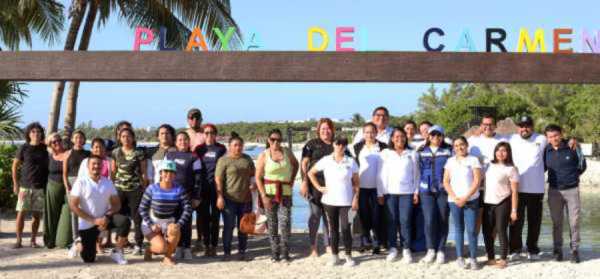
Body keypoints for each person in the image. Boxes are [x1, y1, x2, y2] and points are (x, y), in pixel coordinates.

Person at [69, 155, 131, 264]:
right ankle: (78, 243)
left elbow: (117, 205)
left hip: (104, 221)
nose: (96, 166)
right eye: (93, 164)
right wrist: (94, 220)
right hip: (88, 224)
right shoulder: (81, 182)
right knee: (89, 259)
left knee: (125, 221)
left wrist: (107, 216)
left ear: (102, 166)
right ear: (88, 166)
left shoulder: (108, 182)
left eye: (99, 164)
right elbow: (73, 205)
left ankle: (117, 251)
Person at [308, 136, 359, 267]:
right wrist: (319, 187)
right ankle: (335, 256)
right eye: (338, 143)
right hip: (329, 201)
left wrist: (356, 198)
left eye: (343, 144)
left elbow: (356, 183)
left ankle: (348, 256)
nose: (340, 146)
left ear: (346, 146)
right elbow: (310, 173)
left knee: (346, 228)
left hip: (347, 202)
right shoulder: (326, 160)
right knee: (333, 229)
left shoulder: (351, 161)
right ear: (334, 145)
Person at [544, 124, 587, 263]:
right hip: (554, 191)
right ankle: (557, 250)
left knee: (574, 222)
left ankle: (574, 250)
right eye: (550, 136)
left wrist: (573, 176)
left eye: (556, 135)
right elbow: (541, 168)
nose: (554, 138)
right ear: (547, 138)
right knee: (557, 222)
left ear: (561, 134)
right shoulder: (546, 150)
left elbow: (582, 165)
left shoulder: (572, 146)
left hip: (572, 190)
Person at [255, 129, 299, 262]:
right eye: (273, 139)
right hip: (269, 193)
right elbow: (258, 177)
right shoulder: (264, 155)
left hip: (285, 192)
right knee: (272, 224)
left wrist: (290, 181)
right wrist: (263, 195)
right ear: (268, 140)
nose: (276, 142)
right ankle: (275, 253)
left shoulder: (287, 152)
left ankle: (285, 252)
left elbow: (295, 165)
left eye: (278, 140)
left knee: (285, 223)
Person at [376, 127, 419, 263]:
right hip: (389, 193)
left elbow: (416, 175)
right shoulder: (385, 153)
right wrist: (380, 193)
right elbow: (380, 174)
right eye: (396, 136)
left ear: (406, 138)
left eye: (402, 136)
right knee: (391, 221)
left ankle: (406, 248)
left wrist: (416, 192)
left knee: (405, 221)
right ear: (392, 138)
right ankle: (393, 248)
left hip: (407, 193)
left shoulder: (412, 154)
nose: (399, 139)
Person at [139, 160, 193, 266]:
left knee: (175, 230)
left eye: (172, 172)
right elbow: (142, 208)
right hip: (152, 222)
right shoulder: (152, 188)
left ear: (175, 175)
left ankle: (168, 258)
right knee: (161, 248)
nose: (168, 174)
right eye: (166, 171)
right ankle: (149, 250)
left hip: (168, 222)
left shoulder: (179, 189)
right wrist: (151, 224)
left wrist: (179, 224)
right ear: (160, 173)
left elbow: (188, 207)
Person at [508, 116, 547, 261]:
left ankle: (532, 249)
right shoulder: (511, 139)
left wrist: (571, 141)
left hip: (536, 189)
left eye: (527, 125)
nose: (524, 128)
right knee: (515, 221)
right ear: (518, 127)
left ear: (532, 126)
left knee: (534, 222)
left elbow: (557, 140)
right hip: (516, 188)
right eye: (521, 126)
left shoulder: (542, 139)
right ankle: (515, 249)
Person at [443, 137, 482, 270]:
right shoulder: (450, 161)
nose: (459, 147)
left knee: (471, 230)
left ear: (467, 145)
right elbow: (446, 181)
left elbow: (477, 181)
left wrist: (465, 197)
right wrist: (454, 197)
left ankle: (473, 258)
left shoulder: (473, 160)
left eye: (462, 145)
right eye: (456, 145)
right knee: (458, 229)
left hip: (471, 200)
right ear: (453, 148)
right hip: (454, 201)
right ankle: (459, 258)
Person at [215, 133, 255, 261]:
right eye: (235, 145)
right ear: (229, 146)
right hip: (229, 199)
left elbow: (253, 175)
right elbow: (218, 180)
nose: (238, 147)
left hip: (246, 199)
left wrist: (253, 184)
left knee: (243, 227)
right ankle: (227, 253)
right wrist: (219, 197)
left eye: (240, 145)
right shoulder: (223, 160)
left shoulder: (247, 159)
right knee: (229, 226)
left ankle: (242, 251)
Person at [300, 118, 336, 257]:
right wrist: (304, 182)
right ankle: (313, 246)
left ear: (332, 129)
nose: (325, 131)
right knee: (315, 215)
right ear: (318, 130)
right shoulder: (311, 144)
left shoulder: (336, 144)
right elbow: (304, 164)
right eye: (322, 129)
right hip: (314, 185)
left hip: (332, 186)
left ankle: (328, 244)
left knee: (329, 217)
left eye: (328, 128)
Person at [417, 125, 452, 264]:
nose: (435, 138)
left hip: (443, 191)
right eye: (433, 135)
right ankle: (431, 249)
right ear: (428, 136)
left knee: (443, 219)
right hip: (426, 191)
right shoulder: (421, 151)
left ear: (443, 137)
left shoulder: (448, 151)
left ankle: (441, 249)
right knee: (429, 220)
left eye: (439, 135)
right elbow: (417, 171)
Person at [165, 131, 203, 260]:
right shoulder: (170, 155)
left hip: (187, 195)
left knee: (186, 222)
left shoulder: (194, 157)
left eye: (185, 140)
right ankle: (177, 247)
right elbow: (164, 175)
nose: (183, 142)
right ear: (176, 142)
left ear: (189, 142)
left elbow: (198, 179)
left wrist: (197, 197)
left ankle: (187, 248)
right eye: (180, 140)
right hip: (171, 195)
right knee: (174, 221)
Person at [468, 114, 507, 235]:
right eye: (485, 124)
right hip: (477, 186)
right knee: (477, 217)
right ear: (481, 126)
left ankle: (489, 247)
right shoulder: (472, 141)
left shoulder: (503, 140)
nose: (488, 127)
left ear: (495, 126)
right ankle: (473, 247)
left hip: (496, 186)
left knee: (493, 218)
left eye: (490, 124)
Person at [111, 127, 149, 255]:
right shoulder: (116, 152)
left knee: (137, 218)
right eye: (123, 136)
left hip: (135, 190)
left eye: (128, 136)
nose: (126, 139)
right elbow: (113, 172)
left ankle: (138, 245)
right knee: (120, 217)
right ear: (119, 138)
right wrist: (111, 188)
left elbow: (144, 173)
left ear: (133, 138)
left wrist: (144, 187)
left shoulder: (139, 153)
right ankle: (120, 243)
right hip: (119, 190)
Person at [482, 142, 519, 268]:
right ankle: (491, 258)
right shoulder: (488, 165)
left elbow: (514, 191)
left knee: (501, 230)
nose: (500, 153)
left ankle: (503, 259)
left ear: (508, 153)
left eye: (504, 150)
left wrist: (514, 210)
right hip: (487, 202)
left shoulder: (511, 169)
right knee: (487, 231)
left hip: (503, 202)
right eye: (498, 150)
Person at [12, 122, 48, 249]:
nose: (36, 134)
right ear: (28, 134)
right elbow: (15, 166)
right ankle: (18, 240)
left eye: (38, 132)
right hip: (25, 186)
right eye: (33, 132)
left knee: (36, 216)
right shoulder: (24, 148)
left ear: (41, 134)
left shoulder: (44, 149)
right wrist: (15, 184)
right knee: (20, 213)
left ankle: (33, 240)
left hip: (39, 187)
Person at [352, 122, 387, 254]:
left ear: (376, 132)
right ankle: (365, 241)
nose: (369, 134)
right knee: (363, 216)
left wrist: (382, 191)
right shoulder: (357, 147)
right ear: (363, 133)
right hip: (362, 188)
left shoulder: (383, 147)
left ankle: (377, 243)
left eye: (372, 132)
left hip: (377, 188)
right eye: (366, 132)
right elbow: (354, 167)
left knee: (377, 216)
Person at [194, 123, 227, 256]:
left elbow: (226, 167)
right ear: (203, 134)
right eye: (206, 132)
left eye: (212, 132)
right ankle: (206, 245)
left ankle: (213, 246)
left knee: (215, 218)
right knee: (203, 218)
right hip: (203, 188)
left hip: (217, 188)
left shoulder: (221, 148)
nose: (209, 135)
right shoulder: (199, 149)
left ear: (215, 134)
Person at [62, 130, 91, 257]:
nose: (79, 140)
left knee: (84, 209)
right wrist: (66, 185)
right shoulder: (68, 153)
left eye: (81, 137)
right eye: (76, 137)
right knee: (74, 211)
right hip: (71, 182)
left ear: (84, 140)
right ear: (73, 140)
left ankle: (85, 235)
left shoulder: (88, 154)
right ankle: (75, 237)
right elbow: (64, 173)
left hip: (84, 182)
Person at [44, 132, 73, 249]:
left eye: (59, 140)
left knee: (67, 214)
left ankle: (63, 241)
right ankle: (49, 241)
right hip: (53, 186)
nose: (57, 143)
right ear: (50, 144)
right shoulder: (48, 156)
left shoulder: (70, 153)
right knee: (51, 215)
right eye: (54, 142)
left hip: (68, 188)